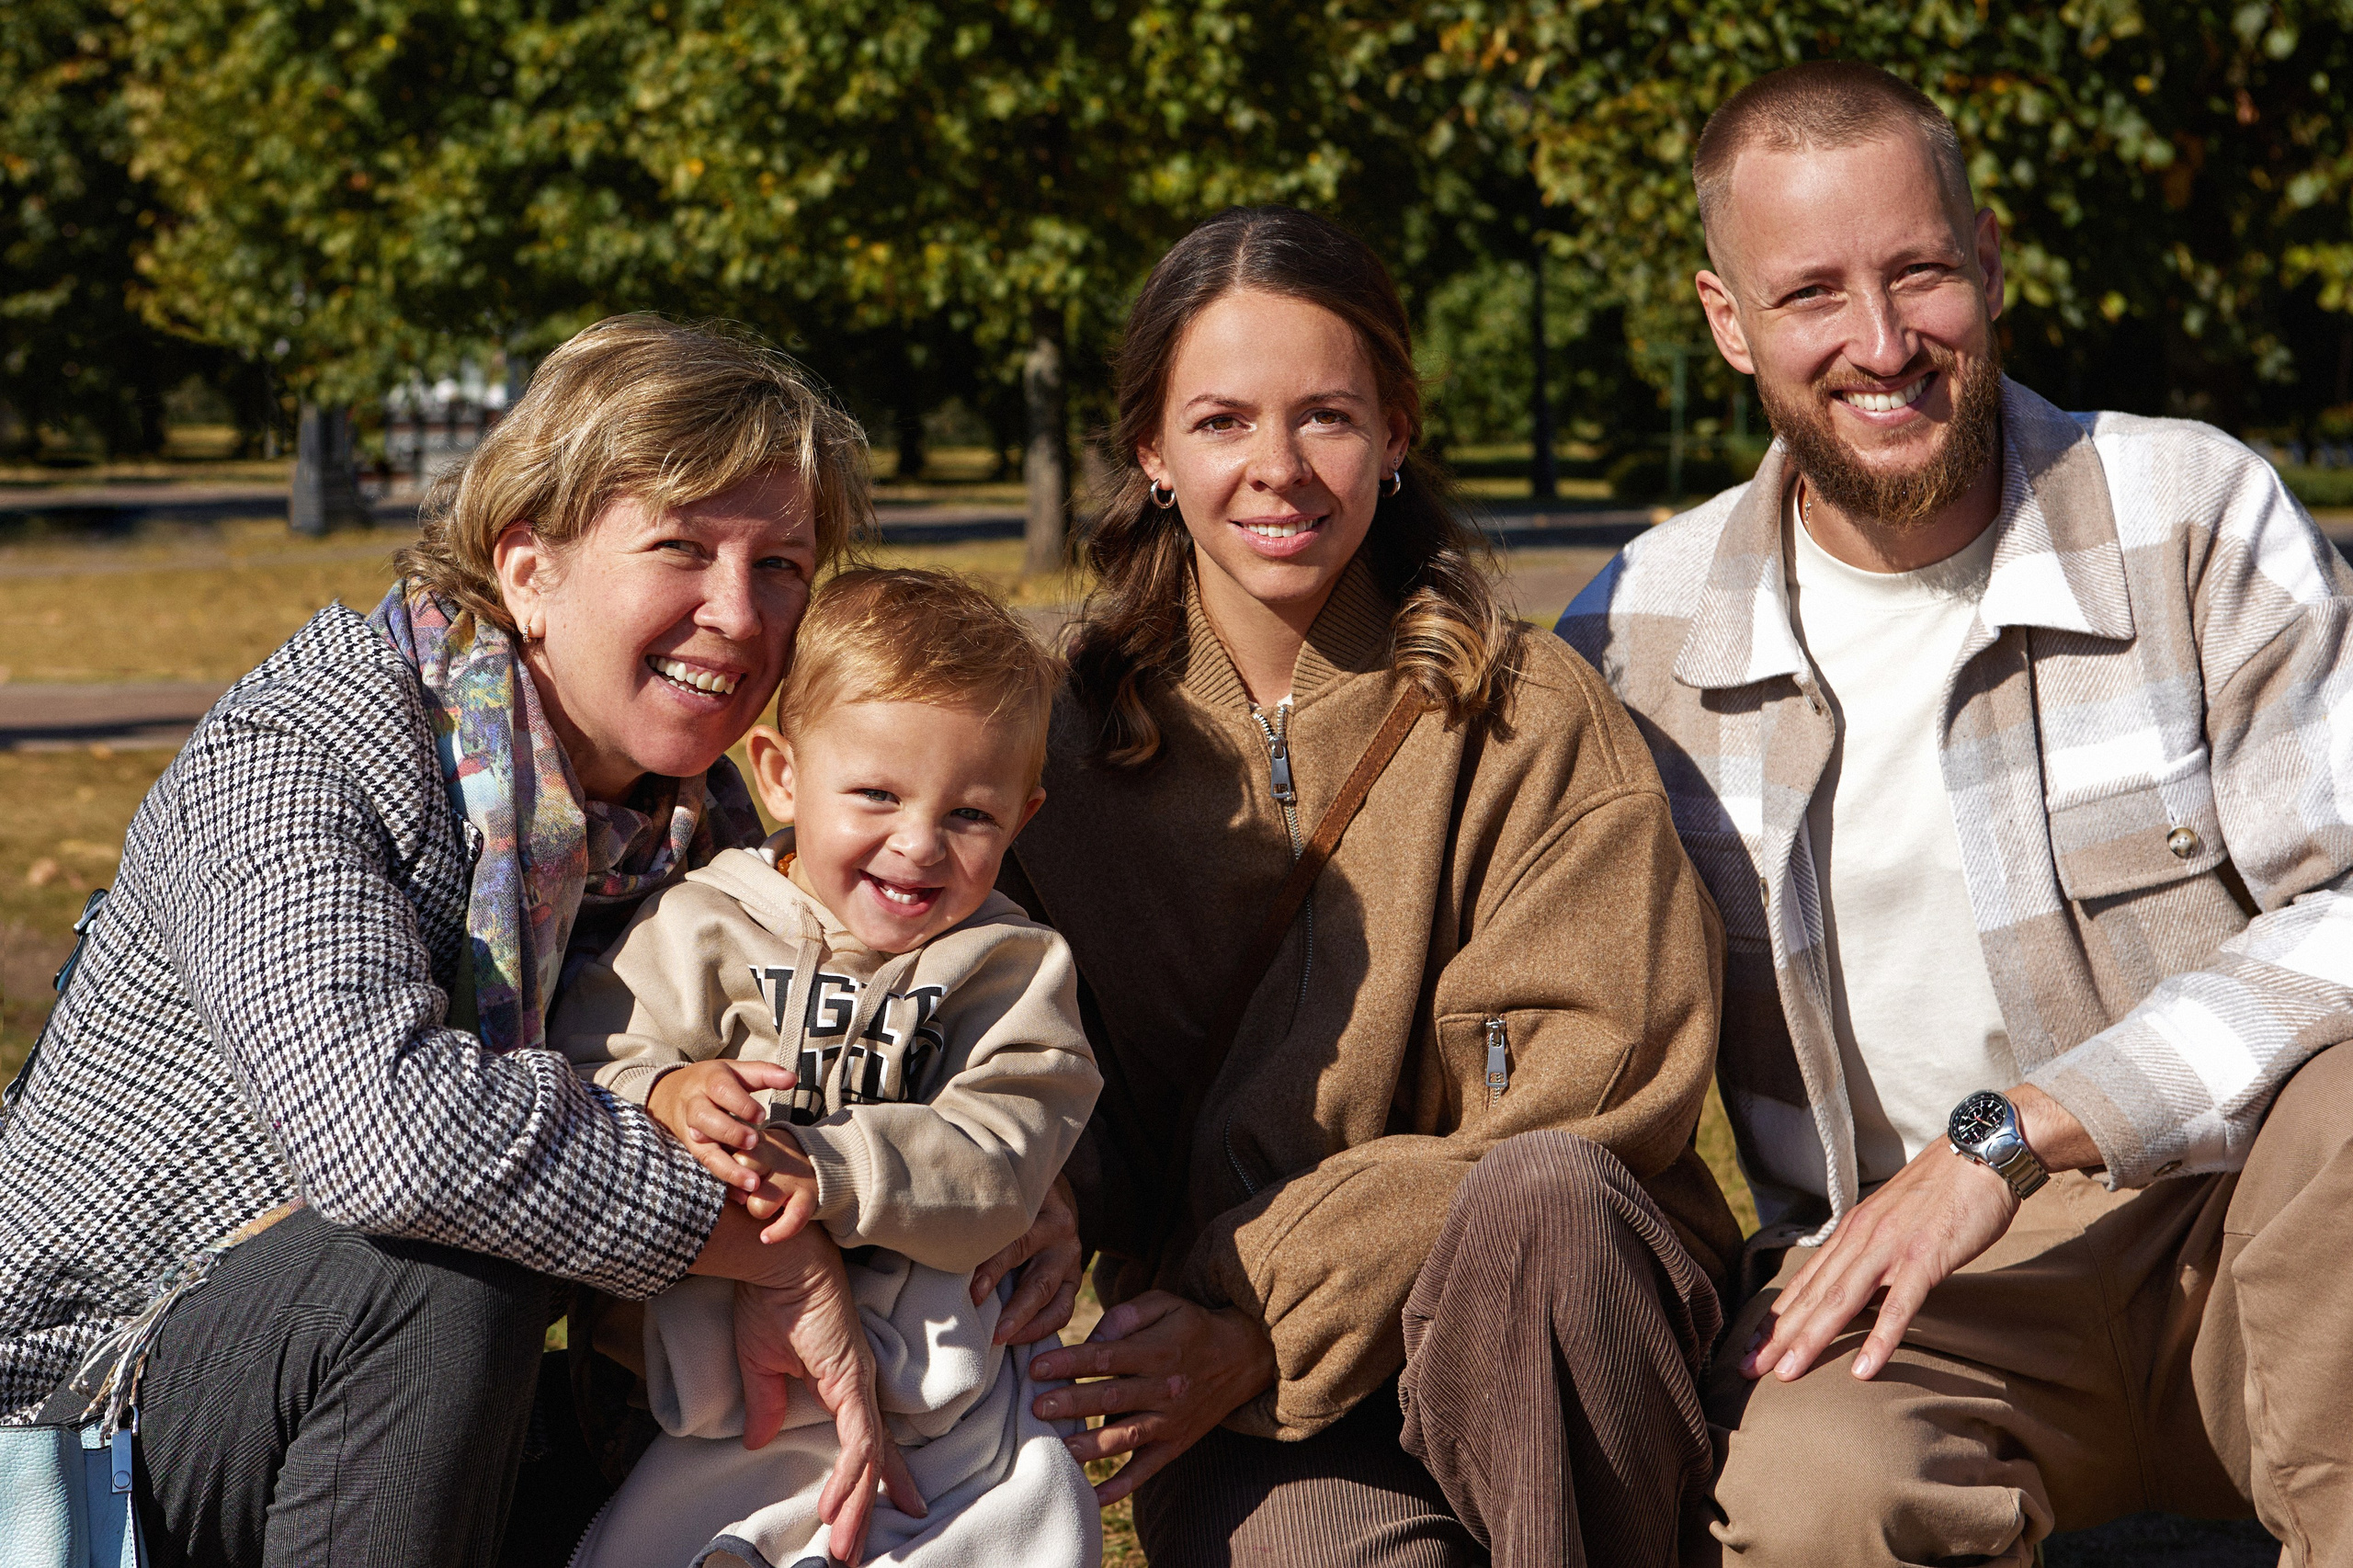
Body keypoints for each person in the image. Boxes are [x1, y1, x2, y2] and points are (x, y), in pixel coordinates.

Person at [0, 316, 1069, 1568]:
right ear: (528, 569)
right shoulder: (308, 748)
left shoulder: (702, 831)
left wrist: (1002, 1197)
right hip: (85, 1415)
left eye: (781, 564)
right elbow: (385, 1138)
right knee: (439, 1276)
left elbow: (873, 1051)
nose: (737, 612)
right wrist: (777, 1240)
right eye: (681, 547)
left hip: (420, 1419)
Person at [1559, 60, 2353, 1567]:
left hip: (2243, 1235)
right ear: (1727, 323)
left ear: (1988, 262)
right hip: (1909, 1300)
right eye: (1810, 296)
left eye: (1919, 272)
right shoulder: (1632, 638)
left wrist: (2015, 1134)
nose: (1880, 343)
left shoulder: (2194, 515)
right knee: (1807, 1501)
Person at [999, 204, 1745, 1568]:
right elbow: (1037, 1073)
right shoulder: (1052, 747)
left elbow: (1599, 1083)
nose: (1278, 469)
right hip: (1249, 1409)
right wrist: (1040, 1189)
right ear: (1152, 451)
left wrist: (1261, 1306)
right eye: (1222, 421)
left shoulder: (1531, 714)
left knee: (1545, 1200)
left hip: (1552, 1346)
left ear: (1396, 433)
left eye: (1326, 417)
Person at [551, 568, 1101, 1568]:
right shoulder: (701, 924)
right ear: (780, 773)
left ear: (1023, 817)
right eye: (877, 795)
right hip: (721, 1398)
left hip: (948, 1392)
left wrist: (833, 1168)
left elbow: (1005, 1156)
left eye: (971, 815)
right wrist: (666, 1091)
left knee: (1019, 1523)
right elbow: (588, 1063)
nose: (919, 843)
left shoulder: (1012, 969)